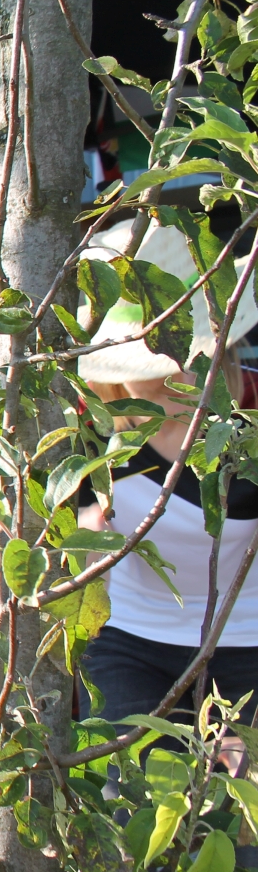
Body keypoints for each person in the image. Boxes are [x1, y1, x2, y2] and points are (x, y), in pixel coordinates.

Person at [76, 223, 258, 747]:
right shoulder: (88, 432)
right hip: (129, 642)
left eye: (189, 351)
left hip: (248, 640)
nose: (175, 370)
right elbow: (73, 544)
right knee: (132, 781)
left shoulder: (251, 421)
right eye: (154, 360)